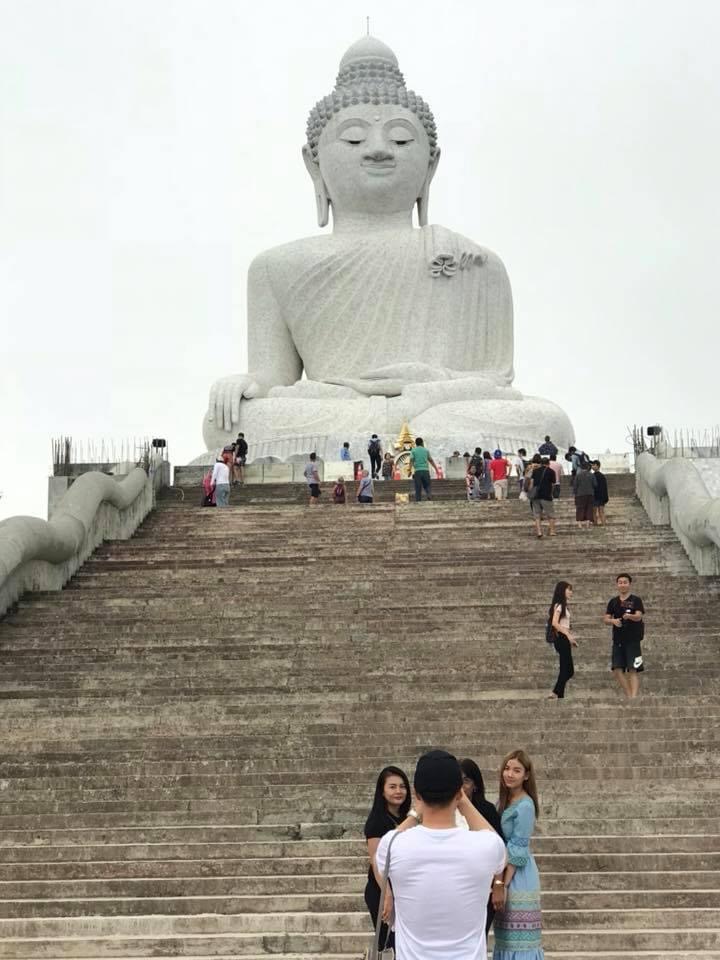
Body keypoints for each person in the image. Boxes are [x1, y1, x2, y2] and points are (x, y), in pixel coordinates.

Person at [375, 750, 506, 960]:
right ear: (458, 792)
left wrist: (415, 813)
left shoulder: (392, 845)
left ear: (416, 793)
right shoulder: (487, 846)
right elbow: (496, 844)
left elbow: (392, 837)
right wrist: (463, 802)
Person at [492, 750, 544, 960]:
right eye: (507, 768)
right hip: (503, 870)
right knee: (505, 937)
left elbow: (518, 847)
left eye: (516, 770)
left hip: (517, 874)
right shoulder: (503, 800)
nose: (510, 774)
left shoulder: (525, 805)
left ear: (526, 775)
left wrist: (503, 884)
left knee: (520, 940)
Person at [364, 765, 412, 953]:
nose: (399, 791)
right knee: (388, 945)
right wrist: (387, 895)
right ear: (382, 791)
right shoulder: (377, 820)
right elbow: (376, 861)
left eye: (402, 786)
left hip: (403, 889)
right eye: (392, 787)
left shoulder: (408, 818)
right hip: (382, 890)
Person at [460, 758, 506, 936]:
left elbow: (499, 851)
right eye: (458, 780)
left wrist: (499, 885)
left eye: (466, 780)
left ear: (475, 785)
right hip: (460, 888)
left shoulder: (486, 810)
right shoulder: (447, 811)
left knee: (479, 937)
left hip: (484, 889)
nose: (462, 785)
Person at [603, 573, 645, 698]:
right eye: (620, 582)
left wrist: (630, 616)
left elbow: (639, 616)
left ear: (629, 584)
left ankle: (634, 697)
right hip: (618, 640)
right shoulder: (613, 602)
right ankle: (629, 695)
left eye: (625, 582)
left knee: (633, 669)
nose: (622, 584)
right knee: (617, 669)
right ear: (617, 584)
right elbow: (605, 618)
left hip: (633, 640)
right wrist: (613, 621)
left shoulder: (636, 600)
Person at [547, 581, 578, 699]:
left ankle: (560, 695)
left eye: (571, 590)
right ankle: (555, 692)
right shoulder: (560, 605)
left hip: (564, 638)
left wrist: (570, 638)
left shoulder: (563, 605)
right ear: (562, 590)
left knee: (565, 668)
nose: (571, 592)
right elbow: (555, 623)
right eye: (568, 589)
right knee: (569, 670)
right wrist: (568, 635)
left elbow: (563, 624)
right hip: (561, 638)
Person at [529, 457, 556, 539]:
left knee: (537, 515)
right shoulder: (551, 471)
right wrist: (551, 493)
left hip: (536, 496)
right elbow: (553, 485)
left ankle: (539, 531)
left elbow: (532, 483)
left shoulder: (535, 471)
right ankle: (551, 531)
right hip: (546, 496)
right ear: (548, 463)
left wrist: (531, 493)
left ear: (540, 463)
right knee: (550, 515)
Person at [409, 437, 439, 502]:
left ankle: (418, 501)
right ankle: (428, 495)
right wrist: (436, 469)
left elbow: (411, 461)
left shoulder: (413, 451)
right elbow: (431, 460)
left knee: (418, 487)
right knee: (427, 485)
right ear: (422, 443)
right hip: (425, 470)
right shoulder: (426, 450)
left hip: (417, 471)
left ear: (416, 443)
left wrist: (409, 470)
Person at [573, 461, 595, 528]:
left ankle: (579, 524)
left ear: (581, 467)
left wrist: (575, 493)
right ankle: (587, 523)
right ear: (588, 467)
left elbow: (575, 486)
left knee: (580, 508)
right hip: (590, 494)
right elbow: (595, 484)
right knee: (589, 508)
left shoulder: (578, 475)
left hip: (580, 494)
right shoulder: (591, 475)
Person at [591, 460, 609, 525]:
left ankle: (598, 524)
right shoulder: (602, 476)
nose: (592, 466)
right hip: (599, 497)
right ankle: (602, 524)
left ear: (598, 466)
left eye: (594, 465)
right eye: (592, 465)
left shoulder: (594, 476)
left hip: (597, 497)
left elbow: (604, 488)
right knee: (598, 511)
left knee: (596, 512)